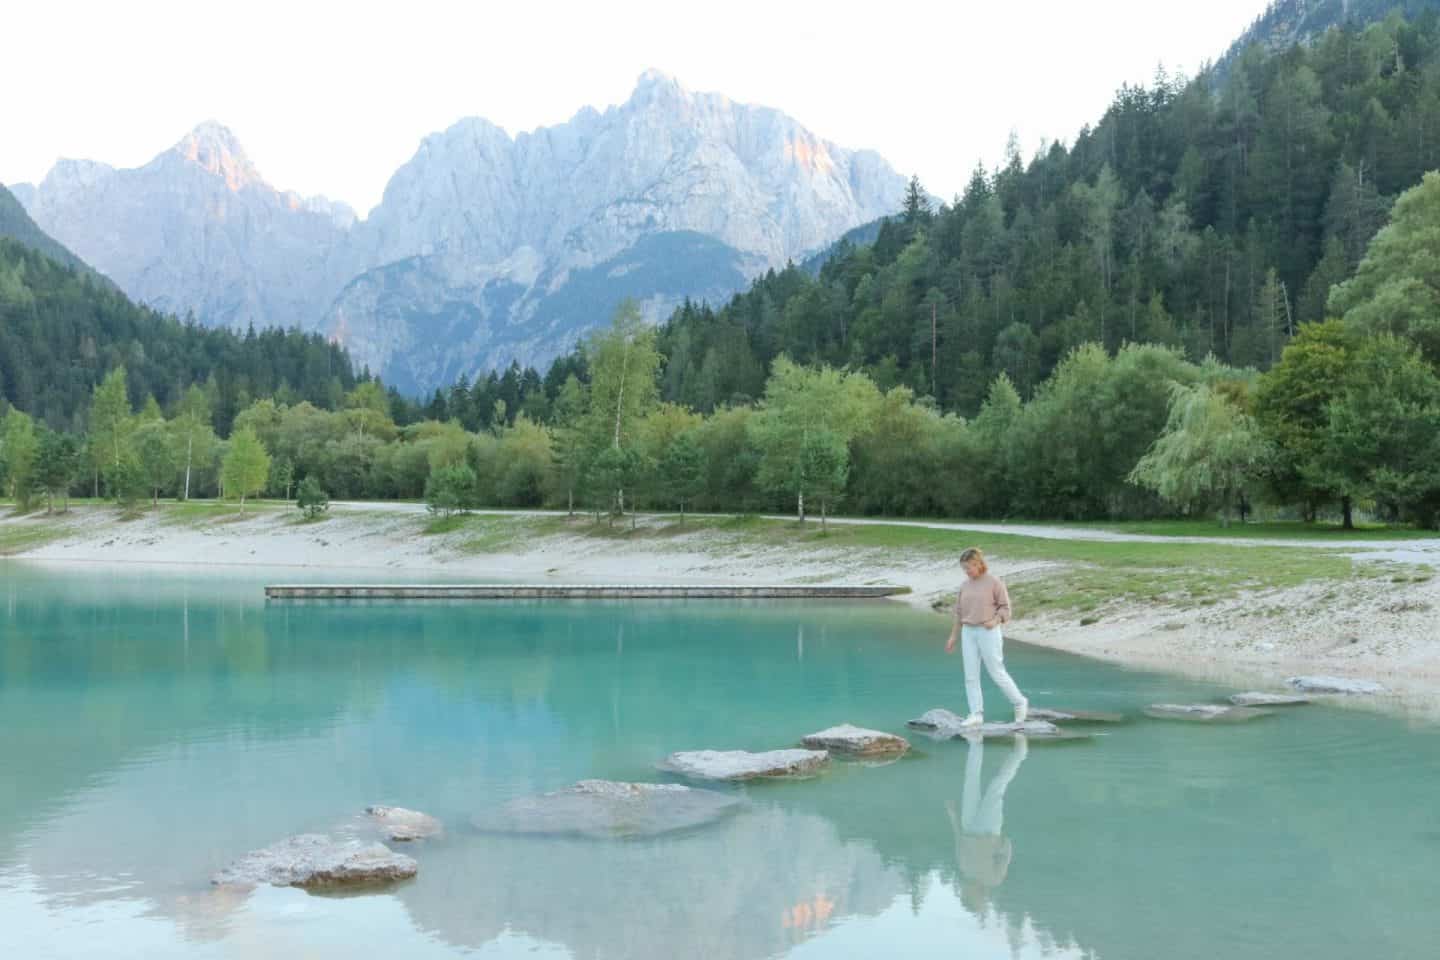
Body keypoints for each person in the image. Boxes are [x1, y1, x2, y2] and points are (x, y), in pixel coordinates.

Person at [944, 547, 1027, 727]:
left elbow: (1005, 608)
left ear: (979, 564)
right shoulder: (964, 586)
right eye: (964, 569)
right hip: (968, 631)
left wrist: (995, 620)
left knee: (996, 671)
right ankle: (976, 714)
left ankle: (1020, 703)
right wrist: (953, 637)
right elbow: (959, 613)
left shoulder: (994, 582)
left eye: (969, 568)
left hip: (988, 631)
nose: (967, 572)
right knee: (970, 675)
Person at [945, 734, 1028, 908]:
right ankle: (1020, 753)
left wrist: (953, 815)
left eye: (964, 894)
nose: (964, 890)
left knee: (970, 779)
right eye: (967, 895)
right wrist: (1000, 841)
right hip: (988, 829)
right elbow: (1006, 854)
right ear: (978, 896)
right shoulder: (994, 879)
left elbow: (958, 841)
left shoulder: (964, 869)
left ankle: (976, 743)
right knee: (996, 786)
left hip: (967, 825)